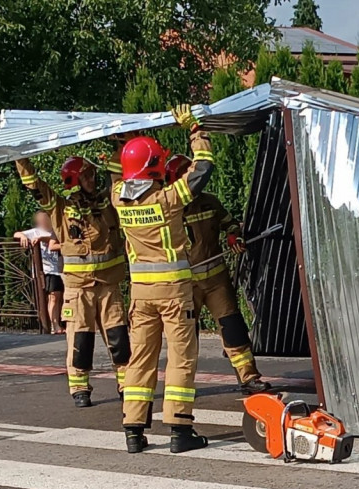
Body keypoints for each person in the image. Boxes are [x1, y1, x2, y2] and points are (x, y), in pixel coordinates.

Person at [112, 105, 212, 454]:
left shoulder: (118, 200)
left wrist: (122, 141)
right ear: (155, 167)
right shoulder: (169, 199)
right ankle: (179, 430)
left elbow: (120, 174)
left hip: (141, 296)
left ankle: (133, 430)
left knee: (141, 359)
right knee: (181, 358)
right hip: (174, 294)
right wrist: (195, 128)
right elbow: (203, 169)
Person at [14, 148, 130, 408]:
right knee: (80, 340)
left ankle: (126, 384)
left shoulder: (106, 202)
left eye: (92, 175)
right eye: (87, 176)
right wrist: (20, 155)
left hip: (109, 285)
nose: (92, 180)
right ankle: (79, 387)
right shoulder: (60, 208)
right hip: (78, 290)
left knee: (119, 338)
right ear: (74, 180)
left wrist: (119, 147)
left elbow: (119, 181)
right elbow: (34, 185)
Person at [165, 155, 272, 394]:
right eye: (186, 174)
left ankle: (248, 377)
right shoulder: (167, 209)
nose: (193, 179)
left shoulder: (209, 202)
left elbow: (229, 223)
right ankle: (181, 385)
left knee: (232, 326)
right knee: (183, 337)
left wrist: (234, 235)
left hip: (215, 280)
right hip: (184, 284)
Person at [14, 211, 65, 334]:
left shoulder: (55, 231)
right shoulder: (35, 231)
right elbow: (16, 234)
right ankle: (54, 325)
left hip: (58, 268)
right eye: (40, 219)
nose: (43, 221)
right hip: (44, 270)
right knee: (53, 296)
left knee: (57, 297)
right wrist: (23, 237)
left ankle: (56, 323)